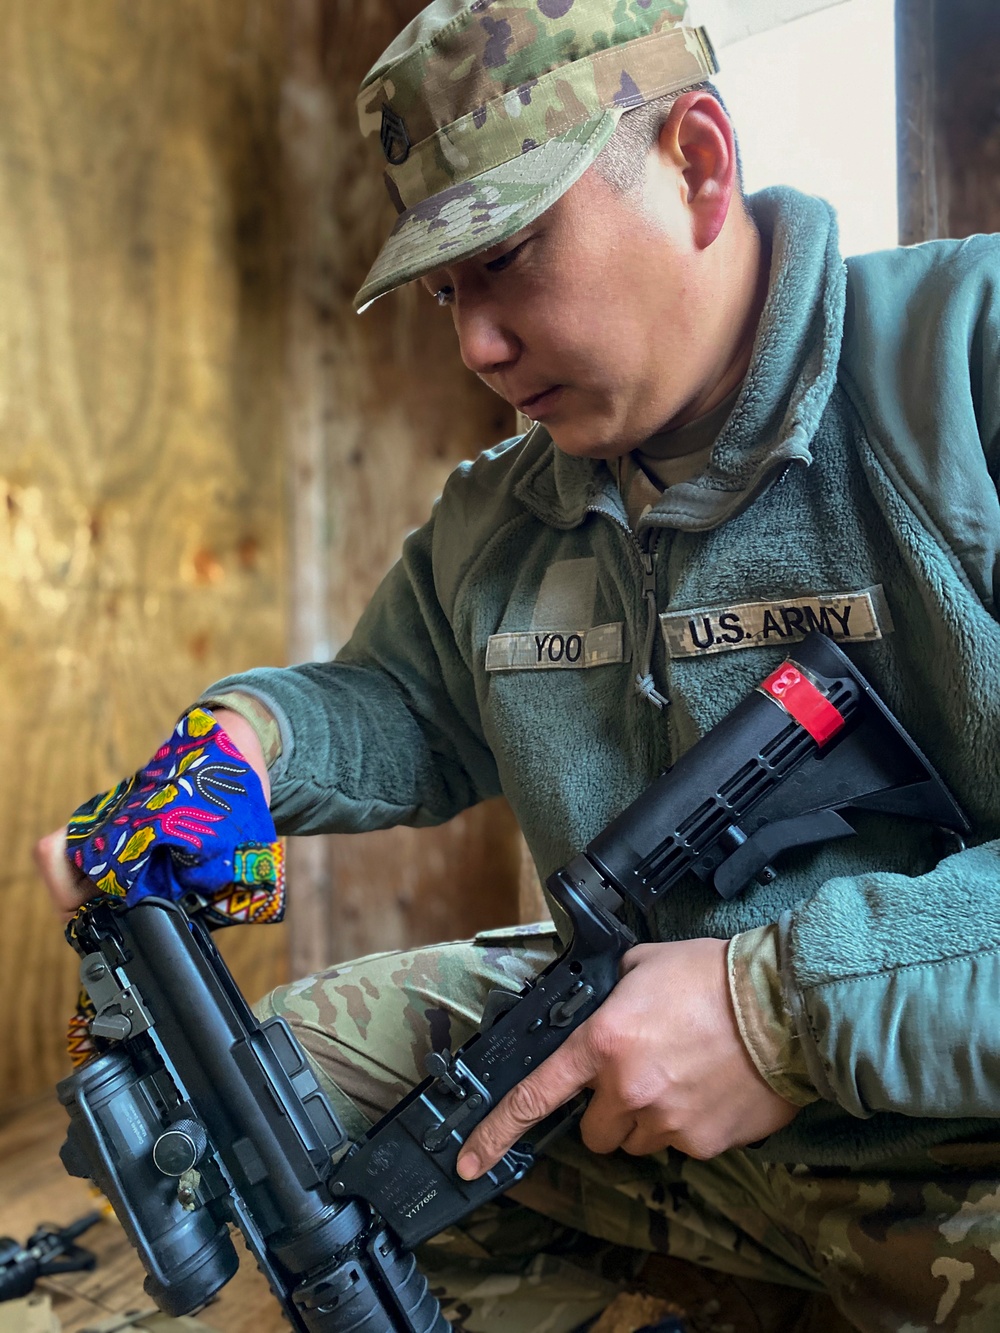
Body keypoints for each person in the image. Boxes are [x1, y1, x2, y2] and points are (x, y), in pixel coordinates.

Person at [35, 0, 1000, 1328]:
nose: (475, 347)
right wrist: (243, 747)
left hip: (955, 1116)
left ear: (699, 163)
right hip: (649, 1107)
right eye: (445, 291)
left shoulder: (968, 364)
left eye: (511, 258)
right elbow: (399, 703)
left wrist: (781, 1009)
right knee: (291, 1093)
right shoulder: (501, 511)